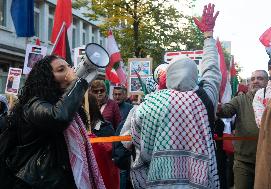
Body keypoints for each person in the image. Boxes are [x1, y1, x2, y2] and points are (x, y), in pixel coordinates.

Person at [124, 3, 221, 188]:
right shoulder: (204, 98)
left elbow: (138, 144)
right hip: (198, 181)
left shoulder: (150, 103)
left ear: (168, 76)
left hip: (159, 179)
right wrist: (208, 37)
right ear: (195, 74)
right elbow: (212, 70)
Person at [0, 55, 105, 189]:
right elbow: (59, 117)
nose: (70, 72)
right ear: (47, 78)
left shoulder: (64, 103)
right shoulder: (33, 104)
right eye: (61, 69)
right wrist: (77, 83)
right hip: (38, 182)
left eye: (69, 67)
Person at [217, 70, 268, 189]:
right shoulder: (240, 100)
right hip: (244, 162)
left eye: (260, 78)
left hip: (268, 161)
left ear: (267, 82)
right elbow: (227, 111)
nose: (255, 81)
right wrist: (219, 108)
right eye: (253, 79)